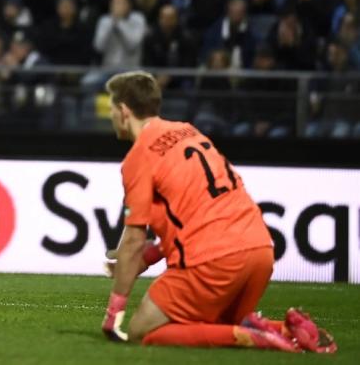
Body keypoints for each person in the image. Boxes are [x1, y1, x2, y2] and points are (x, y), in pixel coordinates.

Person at [100, 71, 337, 353]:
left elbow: (132, 240)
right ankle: (288, 330)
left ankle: (254, 337)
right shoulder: (190, 132)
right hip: (259, 252)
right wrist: (147, 258)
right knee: (214, 323)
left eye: (112, 108)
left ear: (124, 111)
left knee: (144, 332)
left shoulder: (139, 157)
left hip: (213, 263)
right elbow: (197, 215)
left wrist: (114, 314)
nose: (111, 115)